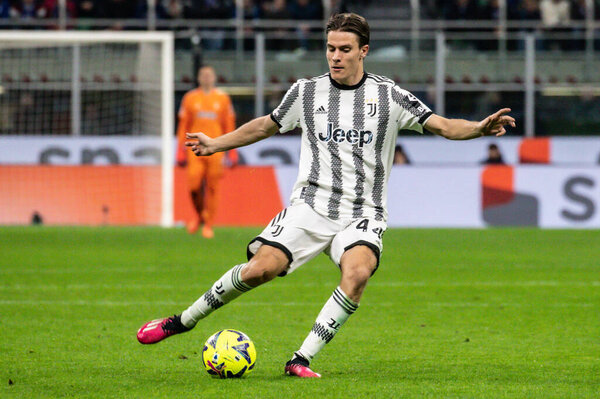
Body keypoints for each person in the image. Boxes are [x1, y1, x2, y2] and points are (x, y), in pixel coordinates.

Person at [137, 12, 515, 378]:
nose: (335, 56)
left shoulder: (390, 96)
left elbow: (445, 126)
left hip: (364, 210)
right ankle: (181, 321)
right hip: (311, 205)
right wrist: (218, 143)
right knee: (260, 270)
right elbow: (264, 127)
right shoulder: (305, 92)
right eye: (331, 48)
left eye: (345, 49)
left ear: (363, 51)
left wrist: (479, 128)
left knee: (358, 272)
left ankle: (300, 358)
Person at [175, 65, 237, 239]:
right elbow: (183, 125)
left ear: (214, 77)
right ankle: (199, 215)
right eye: (203, 75)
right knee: (194, 186)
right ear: (199, 78)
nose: (206, 78)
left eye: (209, 75)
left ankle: (208, 224)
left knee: (212, 187)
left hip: (216, 148)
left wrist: (231, 151)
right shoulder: (190, 98)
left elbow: (229, 125)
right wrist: (180, 150)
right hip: (195, 149)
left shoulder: (223, 98)